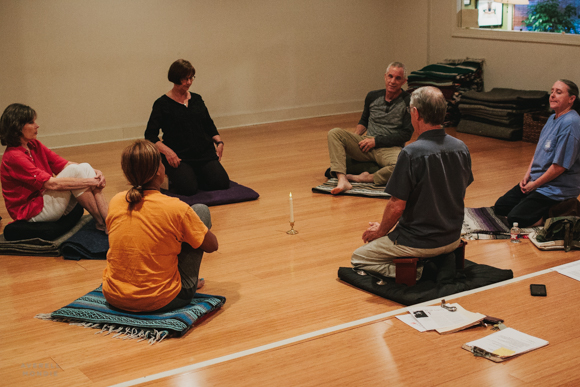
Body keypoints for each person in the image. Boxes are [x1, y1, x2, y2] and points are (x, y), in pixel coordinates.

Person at [351, 86, 473, 280]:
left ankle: (421, 272)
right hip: (452, 237)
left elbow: (397, 205)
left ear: (415, 113)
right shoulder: (461, 147)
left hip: (420, 243)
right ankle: (440, 260)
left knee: (360, 257)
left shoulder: (411, 153)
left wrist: (382, 231)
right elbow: (459, 194)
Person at [102, 140, 218, 313]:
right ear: (158, 171)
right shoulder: (176, 208)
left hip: (114, 295)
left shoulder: (116, 200)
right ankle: (187, 282)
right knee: (200, 211)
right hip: (162, 299)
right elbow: (212, 246)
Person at [0, 103, 108, 231]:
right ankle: (103, 221)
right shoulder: (13, 157)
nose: (37, 125)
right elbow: (52, 185)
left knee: (84, 166)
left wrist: (95, 172)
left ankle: (105, 221)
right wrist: (91, 181)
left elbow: (64, 164)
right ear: (17, 128)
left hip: (45, 201)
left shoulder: (34, 144)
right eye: (31, 122)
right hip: (32, 212)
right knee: (76, 171)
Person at [494, 79, 580, 228]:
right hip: (538, 181)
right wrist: (527, 176)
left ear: (571, 99)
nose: (552, 95)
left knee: (515, 219)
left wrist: (534, 185)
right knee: (501, 207)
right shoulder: (552, 118)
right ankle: (535, 206)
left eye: (558, 92)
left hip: (556, 187)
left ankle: (559, 213)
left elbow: (560, 167)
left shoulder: (571, 123)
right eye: (552, 91)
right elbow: (539, 151)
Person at [145, 59, 229, 196]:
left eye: (191, 78)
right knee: (188, 189)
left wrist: (219, 142)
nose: (189, 82)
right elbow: (150, 135)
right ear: (175, 78)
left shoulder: (197, 99)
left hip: (203, 153)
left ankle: (196, 173)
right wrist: (168, 153)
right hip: (179, 156)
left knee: (221, 183)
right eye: (185, 79)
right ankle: (187, 174)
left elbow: (209, 124)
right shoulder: (161, 104)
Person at [327, 62, 413, 194]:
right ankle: (342, 179)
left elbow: (406, 134)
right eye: (390, 76)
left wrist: (376, 141)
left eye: (398, 78)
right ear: (385, 77)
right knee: (334, 133)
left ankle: (367, 178)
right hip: (366, 144)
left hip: (390, 147)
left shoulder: (409, 101)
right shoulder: (372, 96)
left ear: (404, 82)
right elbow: (364, 121)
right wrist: (355, 138)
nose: (393, 81)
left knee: (403, 166)